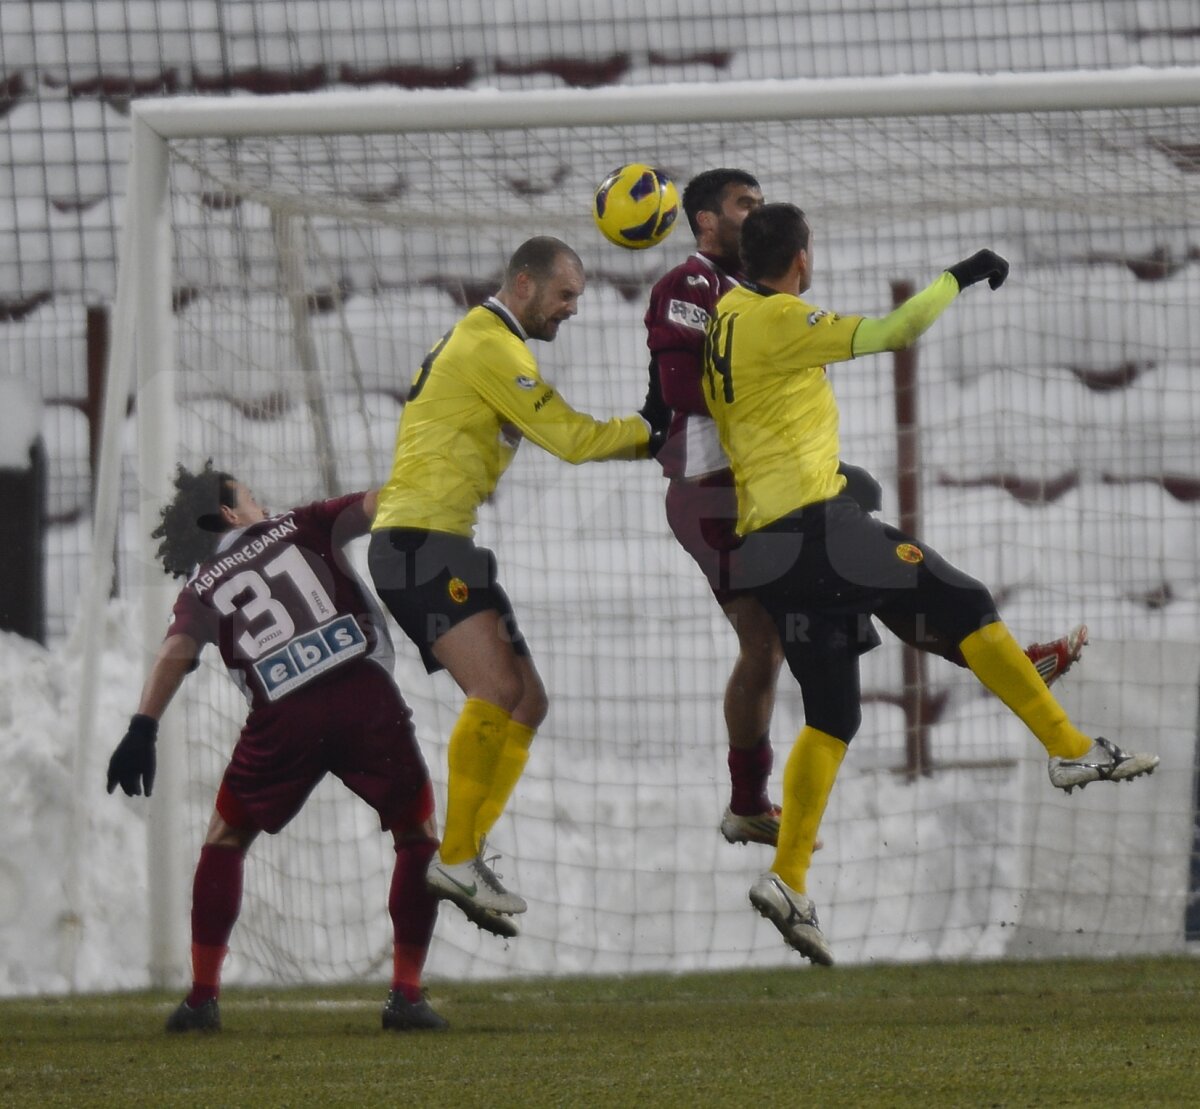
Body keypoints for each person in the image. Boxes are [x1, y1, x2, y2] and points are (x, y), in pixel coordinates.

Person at [701, 203, 1158, 965]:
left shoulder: (725, 317)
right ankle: (1068, 743)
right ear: (802, 258)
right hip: (819, 533)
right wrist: (961, 274)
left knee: (833, 714)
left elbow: (760, 413)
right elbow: (893, 332)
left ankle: (787, 878)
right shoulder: (781, 317)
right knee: (963, 598)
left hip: (771, 552)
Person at [643, 170, 1089, 848]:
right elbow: (677, 385)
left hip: (762, 481)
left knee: (853, 588)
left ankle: (1007, 664)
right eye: (744, 204)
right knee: (767, 640)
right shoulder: (694, 287)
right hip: (714, 487)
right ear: (705, 221)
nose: (756, 211)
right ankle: (747, 800)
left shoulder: (747, 298)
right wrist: (764, 376)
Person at [368, 236, 664, 935]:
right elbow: (571, 437)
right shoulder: (492, 347)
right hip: (418, 543)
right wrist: (654, 429)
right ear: (524, 285)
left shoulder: (484, 343)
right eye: (565, 295)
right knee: (496, 690)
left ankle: (462, 856)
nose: (571, 310)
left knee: (526, 700)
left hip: (445, 541)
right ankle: (459, 856)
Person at [106, 462, 451, 1033]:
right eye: (251, 497)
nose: (263, 503)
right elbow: (378, 504)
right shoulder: (302, 523)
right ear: (229, 512)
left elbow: (176, 653)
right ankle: (406, 995)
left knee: (225, 838)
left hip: (283, 715)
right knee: (415, 833)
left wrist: (143, 727)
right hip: (362, 692)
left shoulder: (202, 585)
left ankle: (201, 999)